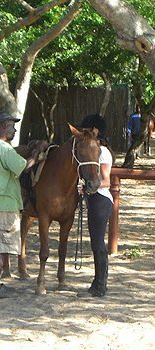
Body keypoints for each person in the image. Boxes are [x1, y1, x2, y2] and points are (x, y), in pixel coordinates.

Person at [0, 110, 46, 298]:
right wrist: (37, 151)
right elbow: (25, 166)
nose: (14, 130)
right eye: (12, 126)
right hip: (6, 203)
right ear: (3, 126)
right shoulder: (4, 149)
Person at [77, 113, 114, 297]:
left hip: (101, 199)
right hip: (94, 198)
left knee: (98, 243)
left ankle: (99, 286)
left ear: (96, 130)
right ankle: (99, 284)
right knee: (96, 242)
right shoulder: (93, 149)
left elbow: (106, 180)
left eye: (89, 129)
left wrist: (90, 187)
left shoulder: (104, 152)